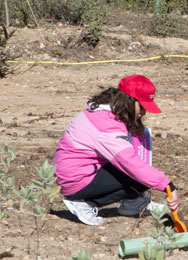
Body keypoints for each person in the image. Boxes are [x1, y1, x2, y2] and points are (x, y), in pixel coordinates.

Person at [52, 75, 180, 226]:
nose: (144, 113)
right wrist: (167, 186)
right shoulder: (108, 127)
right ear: (130, 102)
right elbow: (131, 163)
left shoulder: (105, 111)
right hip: (75, 180)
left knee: (143, 171)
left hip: (79, 170)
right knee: (140, 175)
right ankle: (83, 202)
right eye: (143, 107)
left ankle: (134, 204)